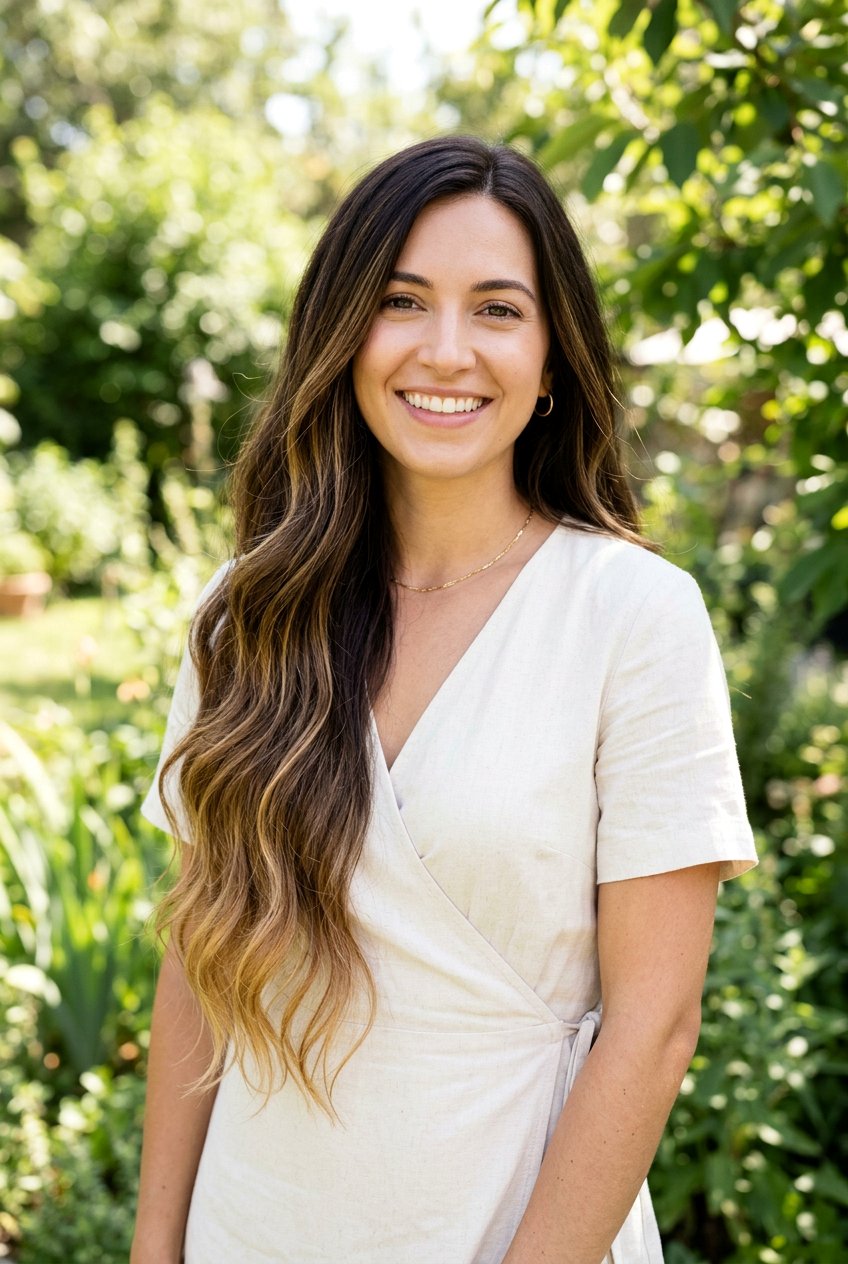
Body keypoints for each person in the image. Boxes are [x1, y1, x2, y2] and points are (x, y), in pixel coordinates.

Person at [130, 135, 757, 1264]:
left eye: (497, 309)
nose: (446, 349)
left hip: (509, 1232)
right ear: (341, 333)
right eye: (401, 300)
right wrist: (154, 1245)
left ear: (553, 352)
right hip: (253, 1225)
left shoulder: (631, 616)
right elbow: (199, 960)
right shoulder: (248, 613)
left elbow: (653, 1030)